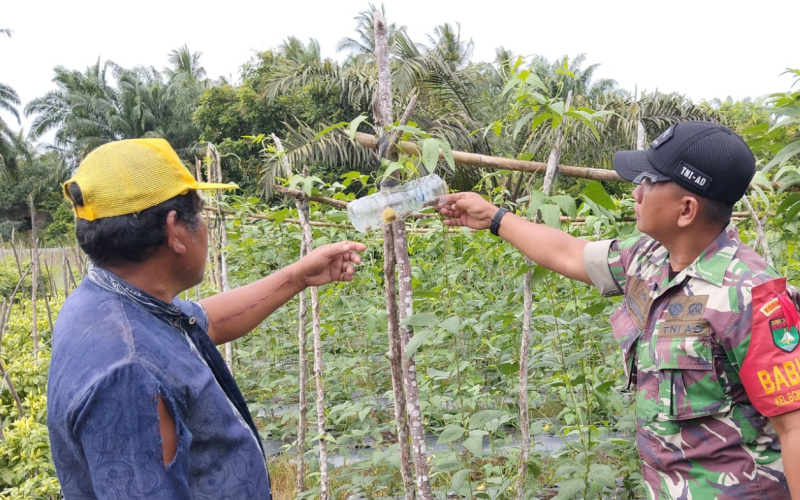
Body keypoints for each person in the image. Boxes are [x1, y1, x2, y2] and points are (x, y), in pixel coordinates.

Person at [435, 121, 800, 499]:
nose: (636, 192)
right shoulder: (648, 258)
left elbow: (794, 428)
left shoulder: (753, 297)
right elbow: (570, 252)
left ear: (686, 209)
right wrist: (493, 217)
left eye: (648, 181)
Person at [47, 138, 366, 500]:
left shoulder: (108, 301)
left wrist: (299, 276)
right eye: (200, 213)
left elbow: (205, 322)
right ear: (174, 230)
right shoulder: (131, 373)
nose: (206, 225)